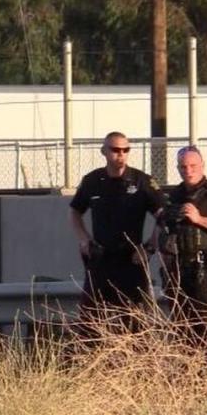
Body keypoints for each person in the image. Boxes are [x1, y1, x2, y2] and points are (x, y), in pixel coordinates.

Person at [69, 131, 165, 314]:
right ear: (104, 151)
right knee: (90, 321)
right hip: (101, 259)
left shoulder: (141, 181)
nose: (121, 154)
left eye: (125, 150)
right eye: (115, 150)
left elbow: (163, 216)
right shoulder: (93, 181)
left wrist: (150, 247)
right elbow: (74, 211)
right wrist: (84, 239)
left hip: (131, 262)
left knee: (135, 323)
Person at [155, 145, 207, 335]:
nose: (188, 171)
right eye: (183, 167)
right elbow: (163, 229)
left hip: (206, 269)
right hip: (178, 270)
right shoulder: (175, 195)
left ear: (202, 165)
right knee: (182, 328)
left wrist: (199, 219)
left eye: (193, 166)